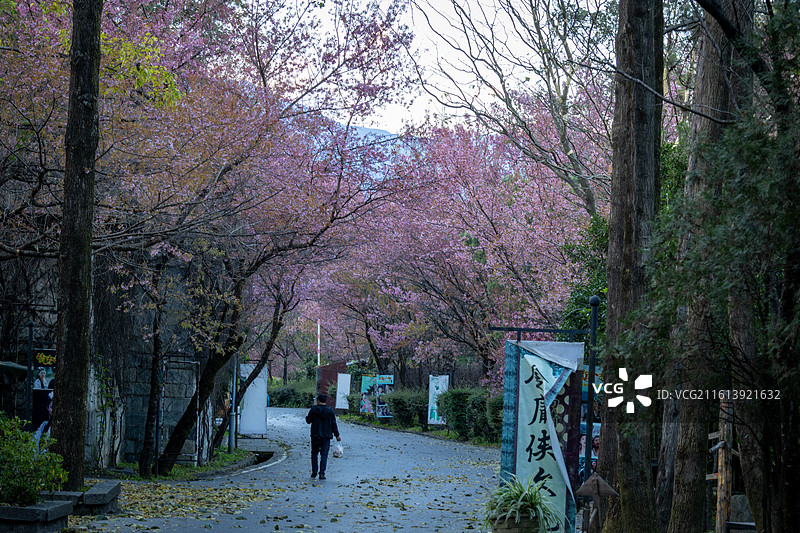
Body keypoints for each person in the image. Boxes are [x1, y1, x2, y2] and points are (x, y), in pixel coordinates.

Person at [305, 393, 341, 480]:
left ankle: (314, 471)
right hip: (326, 436)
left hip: (315, 436)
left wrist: (307, 417)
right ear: (325, 401)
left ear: (318, 400)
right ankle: (322, 473)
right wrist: (337, 435)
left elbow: (308, 421)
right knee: (324, 455)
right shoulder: (330, 410)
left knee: (314, 454)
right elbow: (333, 424)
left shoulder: (314, 409)